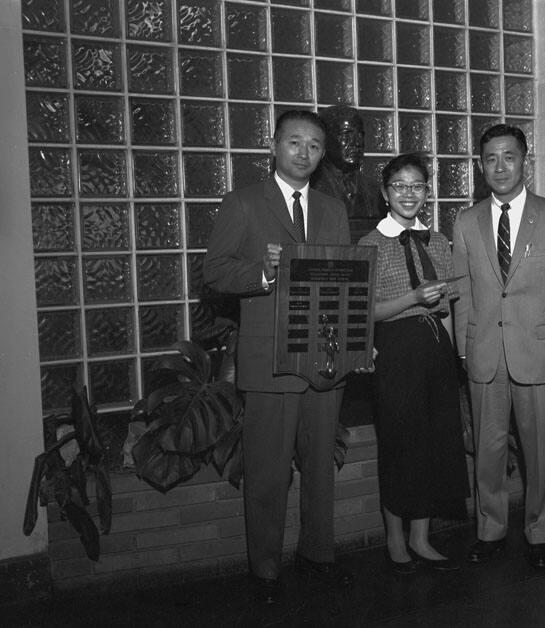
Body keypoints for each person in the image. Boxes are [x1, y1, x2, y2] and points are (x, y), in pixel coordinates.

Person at [203, 110, 353, 604]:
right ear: (273, 146)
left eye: (314, 145)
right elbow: (215, 274)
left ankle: (318, 556)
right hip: (269, 362)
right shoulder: (243, 203)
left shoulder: (333, 208)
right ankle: (264, 571)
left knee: (319, 470)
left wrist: (354, 342)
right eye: (294, 143)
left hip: (325, 359)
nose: (304, 153)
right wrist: (264, 273)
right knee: (267, 473)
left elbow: (348, 283)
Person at [452, 124, 545, 571]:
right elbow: (462, 291)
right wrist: (464, 349)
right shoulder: (467, 222)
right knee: (487, 453)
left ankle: (540, 533)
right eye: (490, 158)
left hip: (540, 353)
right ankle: (490, 530)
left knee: (540, 451)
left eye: (509, 157)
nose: (500, 167)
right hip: (485, 354)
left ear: (525, 161)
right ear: (480, 165)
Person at [359, 153, 469, 574]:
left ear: (427, 192)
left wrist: (456, 353)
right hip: (395, 353)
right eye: (400, 186)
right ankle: (394, 538)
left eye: (417, 186)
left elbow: (445, 307)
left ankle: (422, 537)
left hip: (436, 352)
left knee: (433, 444)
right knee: (400, 444)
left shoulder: (438, 241)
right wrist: (412, 299)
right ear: (386, 193)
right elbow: (364, 312)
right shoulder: (370, 244)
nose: (409, 193)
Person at [312, 104, 382, 222]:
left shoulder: (374, 190)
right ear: (324, 139)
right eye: (346, 135)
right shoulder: (309, 187)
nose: (357, 143)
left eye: (360, 135)